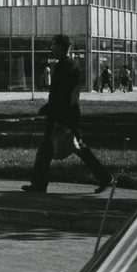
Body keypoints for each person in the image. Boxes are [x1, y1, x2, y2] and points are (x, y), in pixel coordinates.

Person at [21, 34, 114, 194]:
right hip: (66, 114)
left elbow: (63, 94)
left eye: (54, 46)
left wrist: (56, 115)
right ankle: (103, 176)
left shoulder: (65, 66)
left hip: (62, 115)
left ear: (61, 47)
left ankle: (39, 184)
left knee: (52, 148)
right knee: (71, 147)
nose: (52, 49)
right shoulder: (68, 65)